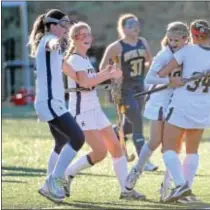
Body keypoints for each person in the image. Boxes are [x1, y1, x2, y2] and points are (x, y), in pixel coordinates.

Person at [156, 19, 210, 202]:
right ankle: (186, 191)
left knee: (168, 149)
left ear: (195, 35)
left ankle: (180, 186)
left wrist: (173, 78)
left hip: (182, 105)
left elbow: (162, 73)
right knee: (192, 151)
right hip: (203, 107)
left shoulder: (186, 50)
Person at [63, 22, 145, 200]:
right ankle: (66, 174)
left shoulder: (85, 59)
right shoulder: (75, 59)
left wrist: (111, 74)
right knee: (99, 152)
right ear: (74, 39)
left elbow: (93, 80)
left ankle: (126, 190)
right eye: (81, 35)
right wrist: (107, 75)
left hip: (95, 109)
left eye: (88, 35)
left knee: (116, 147)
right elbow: (85, 82)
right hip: (82, 112)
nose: (86, 38)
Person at [124, 21, 189, 201]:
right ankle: (132, 178)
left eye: (176, 40)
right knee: (154, 142)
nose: (173, 43)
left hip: (177, 103)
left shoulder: (188, 52)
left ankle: (167, 189)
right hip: (160, 103)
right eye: (170, 39)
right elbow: (149, 79)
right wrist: (169, 81)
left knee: (173, 145)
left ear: (186, 39)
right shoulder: (163, 55)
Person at [28, 9, 87, 203]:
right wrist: (55, 42)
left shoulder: (52, 45)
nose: (66, 28)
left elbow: (67, 69)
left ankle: (49, 183)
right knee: (78, 138)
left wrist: (86, 81)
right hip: (50, 103)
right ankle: (53, 181)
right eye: (64, 24)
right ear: (52, 25)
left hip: (54, 102)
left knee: (61, 143)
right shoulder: (47, 40)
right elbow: (51, 44)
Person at [99, 13, 157, 171]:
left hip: (139, 87)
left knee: (129, 126)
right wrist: (114, 73)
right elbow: (102, 67)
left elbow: (149, 61)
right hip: (124, 91)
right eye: (131, 25)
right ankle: (144, 162)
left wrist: (144, 72)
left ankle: (113, 132)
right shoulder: (116, 46)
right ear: (122, 28)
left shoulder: (142, 42)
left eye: (137, 24)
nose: (135, 28)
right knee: (138, 122)